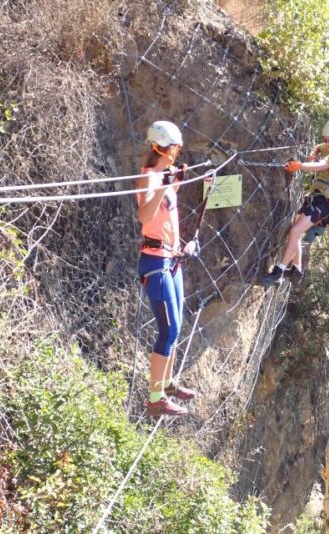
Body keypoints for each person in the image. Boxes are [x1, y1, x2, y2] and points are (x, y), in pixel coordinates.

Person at [137, 120, 198, 417]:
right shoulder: (150, 177)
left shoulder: (163, 176)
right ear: (168, 147)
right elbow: (144, 214)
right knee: (168, 329)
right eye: (176, 147)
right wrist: (163, 187)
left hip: (171, 259)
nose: (178, 152)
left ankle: (168, 382)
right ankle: (155, 397)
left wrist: (173, 183)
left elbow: (165, 218)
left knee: (177, 326)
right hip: (155, 262)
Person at [259, 118, 329, 285]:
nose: (327, 143)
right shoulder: (328, 146)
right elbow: (318, 148)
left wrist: (300, 165)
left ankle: (279, 271)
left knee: (295, 231)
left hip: (325, 201)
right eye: (325, 139)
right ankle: (297, 269)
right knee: (294, 228)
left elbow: (322, 165)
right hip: (315, 197)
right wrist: (314, 152)